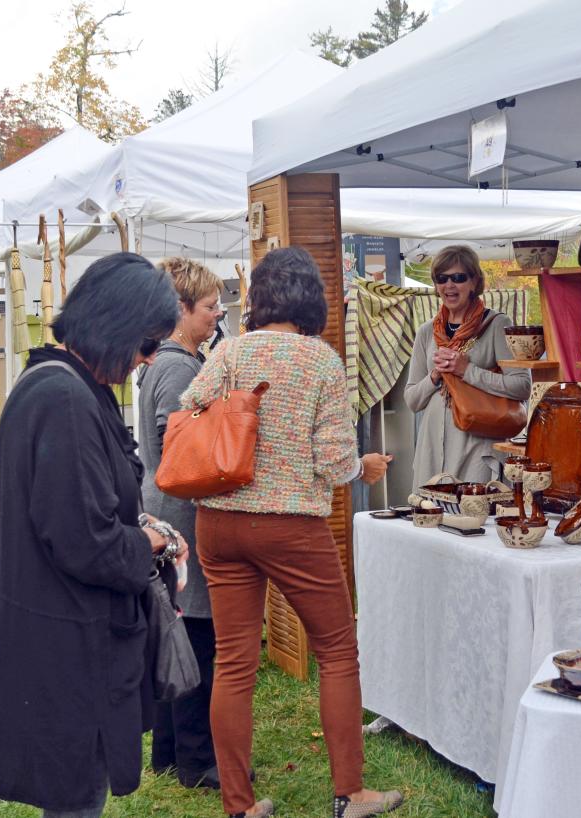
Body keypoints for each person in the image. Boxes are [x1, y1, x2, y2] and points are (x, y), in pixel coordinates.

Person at [182, 246, 401, 818]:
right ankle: (350, 794)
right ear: (311, 299)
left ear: (259, 297)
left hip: (218, 520)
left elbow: (189, 408)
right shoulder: (320, 360)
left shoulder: (229, 350)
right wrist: (362, 467)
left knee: (234, 663)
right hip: (289, 525)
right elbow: (333, 461)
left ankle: (239, 806)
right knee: (337, 650)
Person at [0, 252, 187, 818]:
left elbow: (79, 505)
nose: (148, 359)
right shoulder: (63, 397)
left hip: (60, 631)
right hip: (66, 642)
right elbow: (85, 543)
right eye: (148, 344)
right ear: (116, 326)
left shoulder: (63, 383)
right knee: (76, 795)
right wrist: (155, 543)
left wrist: (143, 524)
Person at [137, 257, 224, 789]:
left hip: (168, 511)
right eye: (210, 306)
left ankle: (169, 752)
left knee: (178, 630)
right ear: (181, 310)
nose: (218, 314)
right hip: (180, 516)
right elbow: (177, 448)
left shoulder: (171, 362)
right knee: (195, 637)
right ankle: (197, 760)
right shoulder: (178, 368)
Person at [404, 244, 530, 488]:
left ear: (474, 282)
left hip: (477, 448)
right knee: (430, 510)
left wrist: (467, 371)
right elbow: (412, 400)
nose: (449, 285)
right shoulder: (427, 332)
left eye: (459, 278)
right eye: (442, 279)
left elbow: (522, 386)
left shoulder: (496, 325)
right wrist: (435, 375)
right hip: (432, 448)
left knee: (474, 509)